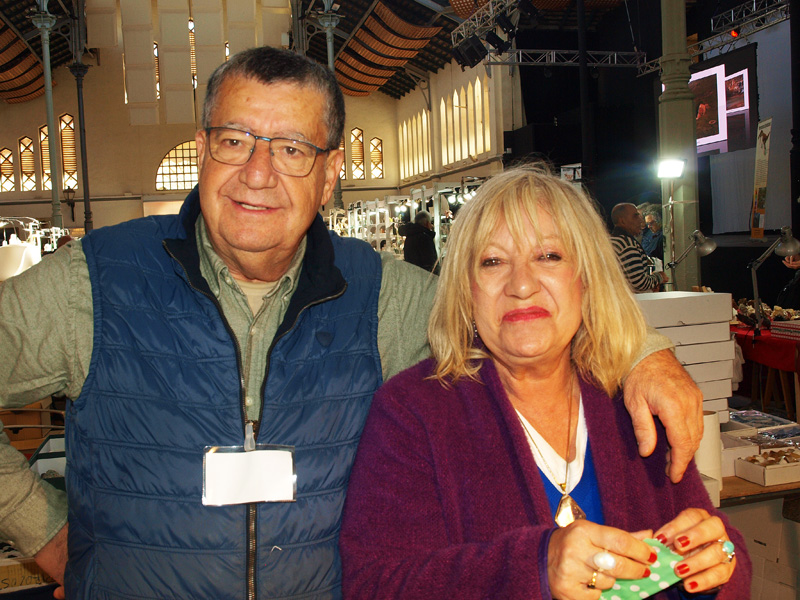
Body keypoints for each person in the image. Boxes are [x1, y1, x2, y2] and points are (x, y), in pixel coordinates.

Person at [0, 48, 702, 600]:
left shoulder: (383, 296)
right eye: (235, 139)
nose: (257, 173)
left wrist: (645, 352)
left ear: (331, 173)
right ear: (204, 146)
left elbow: (517, 310)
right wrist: (47, 530)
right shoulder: (96, 281)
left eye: (292, 149)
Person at [340, 165, 748, 599]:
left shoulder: (632, 400)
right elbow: (374, 584)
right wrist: (533, 568)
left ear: (586, 280)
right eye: (493, 261)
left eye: (548, 256)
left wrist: (713, 566)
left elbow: (719, 544)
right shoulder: (412, 413)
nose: (521, 285)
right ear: (466, 289)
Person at [610, 202, 667, 293]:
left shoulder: (612, 241)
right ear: (622, 221)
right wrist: (659, 277)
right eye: (635, 216)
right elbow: (639, 283)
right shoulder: (627, 245)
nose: (640, 220)